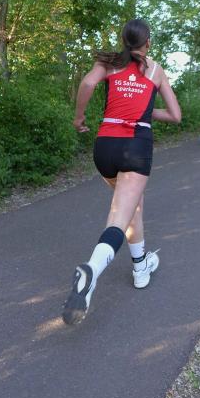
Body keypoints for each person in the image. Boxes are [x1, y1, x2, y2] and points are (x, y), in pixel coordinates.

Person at [63, 19, 182, 326]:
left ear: (123, 39)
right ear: (148, 43)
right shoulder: (155, 71)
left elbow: (87, 84)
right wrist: (147, 111)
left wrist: (79, 118)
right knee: (119, 217)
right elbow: (175, 115)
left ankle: (141, 268)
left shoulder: (109, 62)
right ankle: (91, 271)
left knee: (132, 206)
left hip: (105, 146)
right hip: (135, 146)